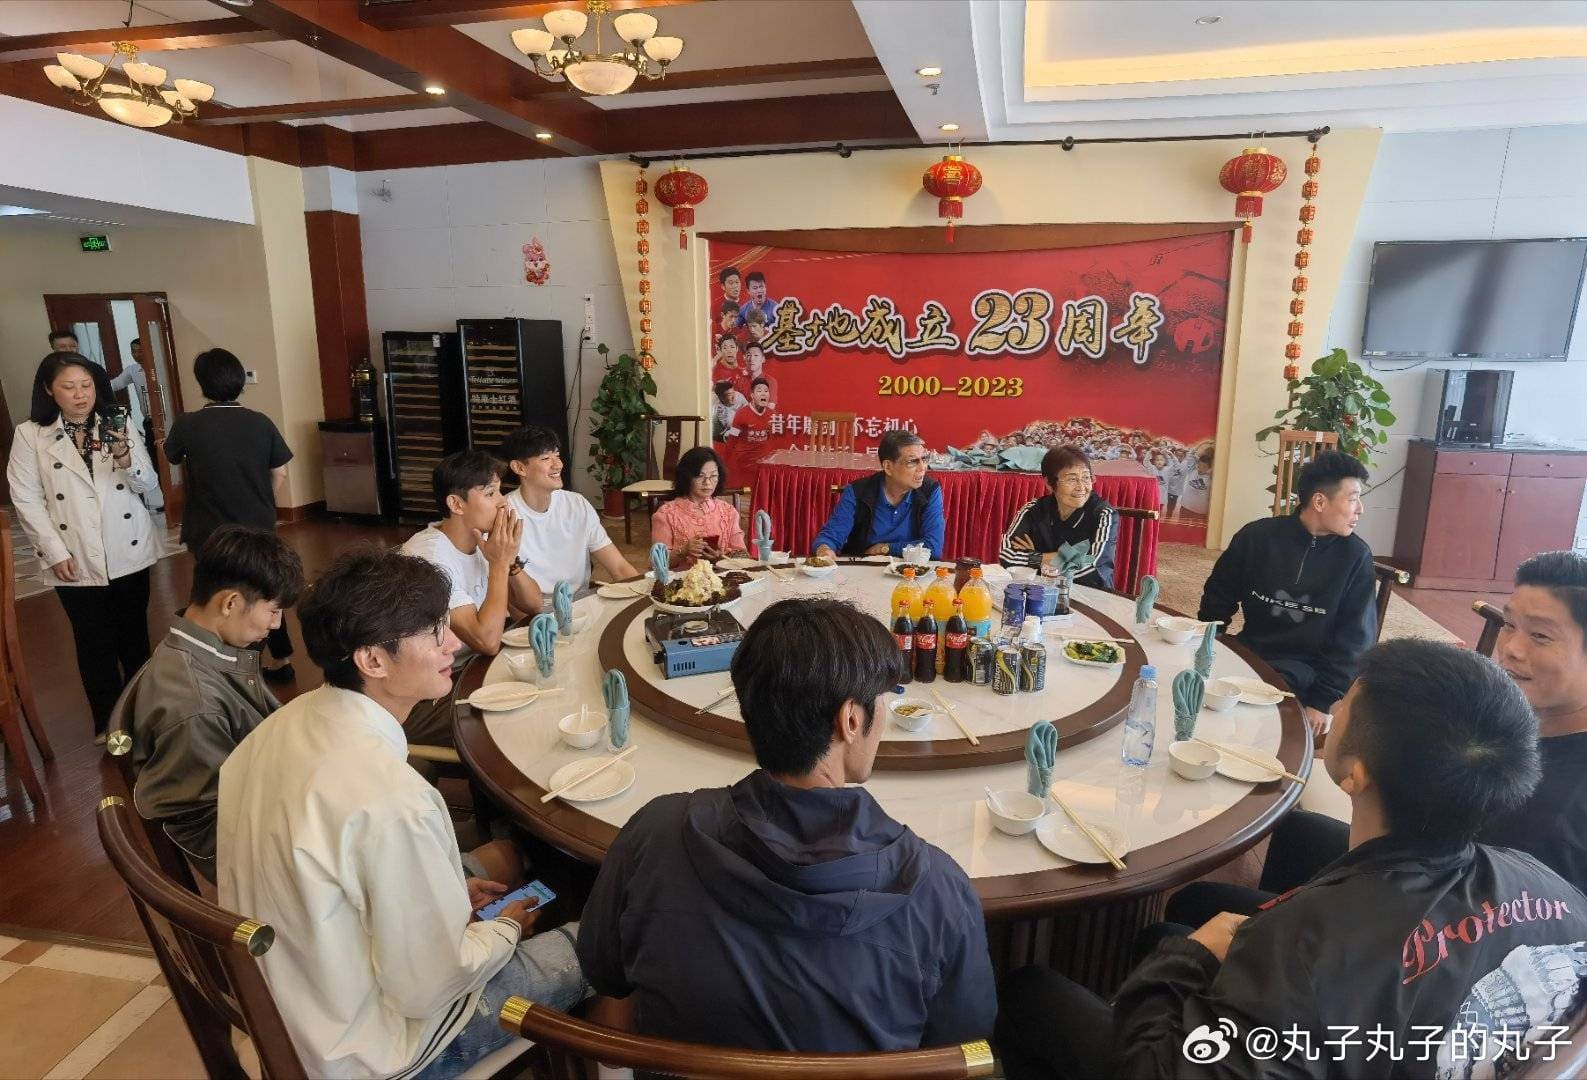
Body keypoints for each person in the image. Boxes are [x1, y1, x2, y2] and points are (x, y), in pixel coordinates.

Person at [996, 639, 1587, 1080]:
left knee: (1029, 990)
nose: (1336, 704)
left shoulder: (1303, 949)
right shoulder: (1554, 889)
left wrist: (1187, 959)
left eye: (1349, 702)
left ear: (1354, 775)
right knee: (1169, 932)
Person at [217, 547, 587, 1079]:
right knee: (597, 944)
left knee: (499, 875)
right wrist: (503, 931)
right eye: (434, 632)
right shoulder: (392, 798)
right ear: (373, 660)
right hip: (370, 1052)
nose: (453, 643)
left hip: (285, 1009)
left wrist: (442, 898)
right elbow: (428, 988)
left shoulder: (279, 727)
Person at [578, 597, 995, 1053]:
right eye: (885, 698)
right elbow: (963, 1045)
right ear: (851, 720)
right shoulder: (938, 889)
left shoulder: (655, 832)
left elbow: (603, 970)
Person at [112, 526, 303, 882]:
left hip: (255, 792)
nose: (277, 624)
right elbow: (223, 816)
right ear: (230, 603)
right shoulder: (195, 704)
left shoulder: (199, 645)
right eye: (274, 610)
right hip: (240, 845)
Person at [7, 353, 160, 744]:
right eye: (69, 387)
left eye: (87, 385)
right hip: (72, 553)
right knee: (92, 640)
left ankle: (143, 713)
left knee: (134, 635)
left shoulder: (118, 420)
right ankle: (107, 721)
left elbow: (147, 484)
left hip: (127, 548)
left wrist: (125, 455)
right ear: (48, 390)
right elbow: (25, 498)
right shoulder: (31, 434)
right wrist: (54, 551)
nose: (80, 395)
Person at [1198, 450, 1375, 736]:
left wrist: (1323, 700)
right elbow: (1218, 596)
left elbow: (1355, 640)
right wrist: (1211, 645)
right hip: (1249, 653)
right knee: (1190, 695)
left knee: (1259, 726)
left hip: (1308, 671)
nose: (1360, 510)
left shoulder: (1355, 556)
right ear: (1320, 501)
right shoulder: (1257, 537)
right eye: (1353, 499)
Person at [163, 348, 298, 682]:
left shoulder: (188, 424)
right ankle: (282, 660)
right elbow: (279, 472)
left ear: (202, 383)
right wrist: (263, 502)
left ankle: (223, 665)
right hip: (257, 525)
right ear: (239, 381)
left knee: (217, 596)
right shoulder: (260, 422)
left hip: (208, 529)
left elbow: (171, 456)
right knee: (266, 589)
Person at [399, 450, 542, 747]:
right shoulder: (430, 556)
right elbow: (486, 641)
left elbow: (533, 605)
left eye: (500, 491)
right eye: (490, 493)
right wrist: (499, 564)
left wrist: (509, 561)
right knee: (524, 719)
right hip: (422, 697)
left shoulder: (481, 542)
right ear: (456, 504)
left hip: (468, 670)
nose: (503, 502)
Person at [501, 426, 639, 593]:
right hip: (532, 606)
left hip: (580, 602)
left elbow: (618, 567)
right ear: (519, 468)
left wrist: (643, 595)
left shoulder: (576, 504)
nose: (558, 464)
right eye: (546, 458)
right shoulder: (503, 514)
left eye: (557, 456)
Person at [998, 445, 1117, 590]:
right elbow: (1007, 557)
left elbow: (1094, 569)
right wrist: (1073, 558)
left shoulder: (1103, 513)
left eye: (1086, 477)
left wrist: (1035, 557)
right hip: (1039, 591)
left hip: (1089, 595)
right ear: (1049, 483)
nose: (1081, 487)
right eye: (1072, 479)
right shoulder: (1034, 510)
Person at [813, 429, 944, 559]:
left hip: (910, 567)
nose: (922, 468)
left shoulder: (930, 491)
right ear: (888, 467)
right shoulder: (857, 491)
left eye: (924, 459)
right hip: (864, 565)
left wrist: (885, 548)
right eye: (912, 462)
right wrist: (824, 549)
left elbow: (933, 548)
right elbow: (830, 536)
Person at [650, 446, 748, 566]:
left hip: (721, 577)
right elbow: (656, 563)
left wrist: (719, 558)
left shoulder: (728, 512)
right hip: (682, 577)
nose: (707, 482)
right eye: (700, 476)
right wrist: (684, 551)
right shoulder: (666, 515)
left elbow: (742, 556)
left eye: (713, 476)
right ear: (686, 477)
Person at [722, 378, 775, 488]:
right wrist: (723, 464)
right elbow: (732, 440)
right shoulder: (741, 414)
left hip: (764, 466)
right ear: (752, 395)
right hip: (745, 466)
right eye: (759, 391)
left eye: (766, 391)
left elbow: (770, 440)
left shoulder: (772, 415)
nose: (763, 394)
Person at [1173, 441, 1215, 518]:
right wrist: (1203, 442)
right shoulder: (1192, 470)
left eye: (1204, 467)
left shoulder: (1212, 476)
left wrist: (1209, 471)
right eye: (1199, 465)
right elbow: (1190, 454)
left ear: (1209, 466)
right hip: (1185, 507)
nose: (1200, 469)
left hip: (1200, 511)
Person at [735, 341, 778, 408]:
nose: (752, 359)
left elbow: (770, 407)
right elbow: (735, 406)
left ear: (763, 359)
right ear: (745, 358)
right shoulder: (740, 381)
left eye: (756, 355)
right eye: (748, 355)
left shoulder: (770, 381)